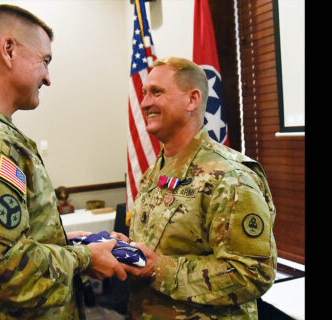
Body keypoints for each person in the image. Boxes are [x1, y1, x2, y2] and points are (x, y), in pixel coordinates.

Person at [0, 4, 126, 319]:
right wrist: (85, 258)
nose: (47, 78)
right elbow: (3, 268)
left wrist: (64, 243)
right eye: (44, 61)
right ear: (8, 50)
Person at [114, 57, 277, 319]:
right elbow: (163, 246)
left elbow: (253, 273)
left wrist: (158, 269)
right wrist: (128, 248)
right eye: (144, 93)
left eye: (157, 92)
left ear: (192, 100)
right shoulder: (153, 174)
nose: (144, 103)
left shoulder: (230, 177)